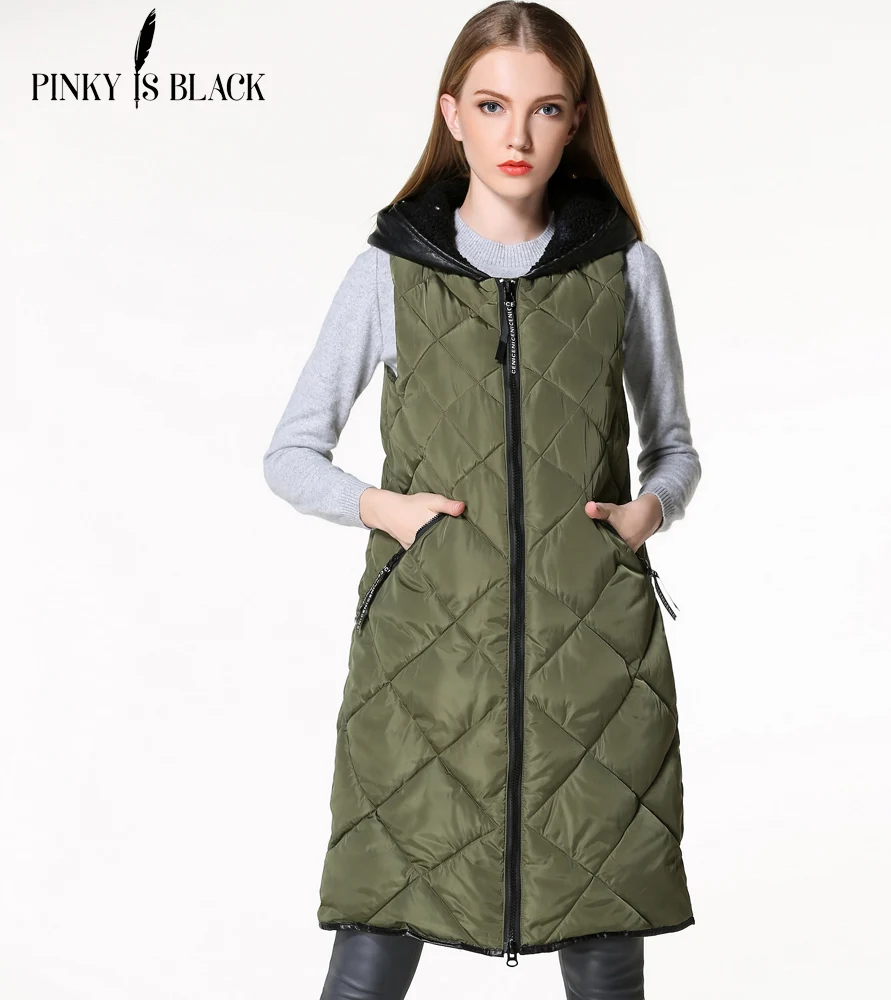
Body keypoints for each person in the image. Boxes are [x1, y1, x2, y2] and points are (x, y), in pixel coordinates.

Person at [262, 3, 701, 997]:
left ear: (575, 120)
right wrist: (386, 510)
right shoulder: (389, 273)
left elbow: (673, 447)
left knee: (604, 944)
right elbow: (290, 453)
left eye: (545, 109)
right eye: (493, 105)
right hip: (422, 670)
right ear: (451, 113)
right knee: (375, 936)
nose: (518, 135)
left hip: (595, 663)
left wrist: (648, 513)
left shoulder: (625, 269)